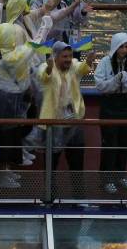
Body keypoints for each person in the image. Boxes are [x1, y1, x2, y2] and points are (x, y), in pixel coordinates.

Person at [0, 23, 38, 184]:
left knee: (10, 136)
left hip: (5, 97)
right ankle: (1, 174)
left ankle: (6, 169)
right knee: (5, 137)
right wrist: (43, 26)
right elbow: (34, 46)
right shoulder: (12, 57)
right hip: (8, 99)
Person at [93, 32, 127, 192]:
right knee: (110, 143)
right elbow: (100, 84)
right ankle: (106, 179)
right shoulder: (105, 62)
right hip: (110, 105)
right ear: (115, 47)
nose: (124, 50)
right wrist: (115, 81)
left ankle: (120, 175)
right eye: (121, 46)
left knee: (125, 142)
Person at [38, 42, 90, 179]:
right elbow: (43, 77)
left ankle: (79, 198)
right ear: (55, 57)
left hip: (74, 120)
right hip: (53, 124)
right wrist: (49, 68)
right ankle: (49, 197)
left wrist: (89, 60)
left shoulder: (73, 65)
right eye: (64, 56)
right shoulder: (46, 67)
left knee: (77, 163)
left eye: (70, 56)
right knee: (51, 164)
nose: (68, 59)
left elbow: (83, 69)